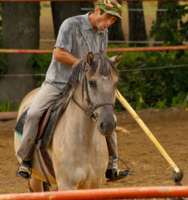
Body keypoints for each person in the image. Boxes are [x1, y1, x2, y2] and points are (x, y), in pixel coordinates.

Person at [16, 0, 129, 182]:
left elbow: (99, 62)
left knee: (109, 116)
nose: (109, 23)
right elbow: (59, 54)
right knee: (35, 112)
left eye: (113, 20)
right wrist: (85, 65)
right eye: (107, 17)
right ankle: (26, 158)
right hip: (58, 82)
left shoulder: (103, 33)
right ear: (97, 10)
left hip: (84, 85)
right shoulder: (71, 24)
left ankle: (112, 164)